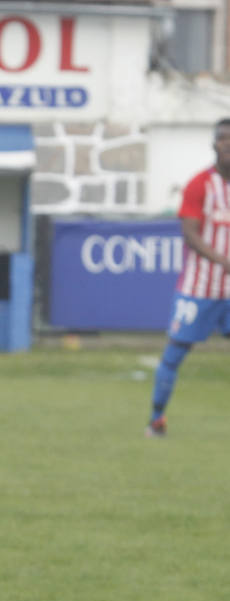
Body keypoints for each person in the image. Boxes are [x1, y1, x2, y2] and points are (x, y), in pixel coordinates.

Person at [145, 117, 230, 437]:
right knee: (175, 352)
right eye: (223, 138)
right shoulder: (200, 185)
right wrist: (222, 260)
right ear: (213, 145)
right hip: (199, 289)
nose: (228, 144)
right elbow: (190, 234)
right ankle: (156, 419)